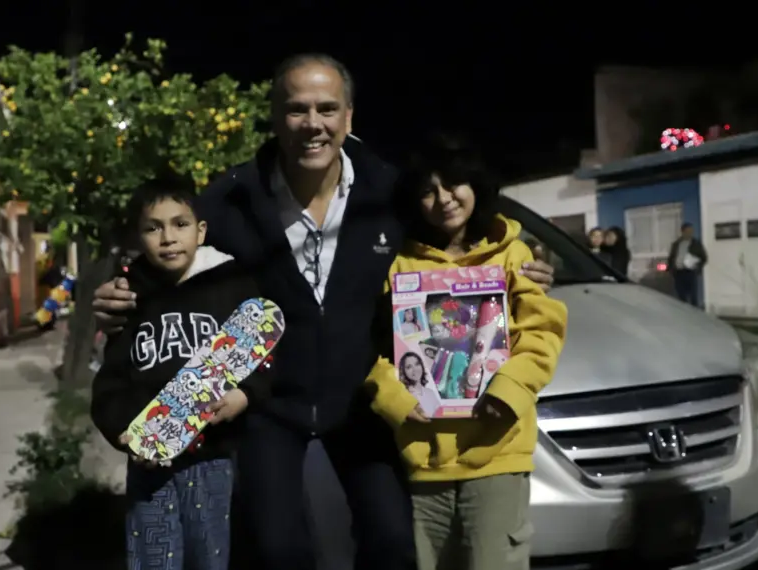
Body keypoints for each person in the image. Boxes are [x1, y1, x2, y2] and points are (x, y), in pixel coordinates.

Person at [90, 53, 557, 570]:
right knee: (277, 551)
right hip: (272, 407)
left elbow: (460, 236)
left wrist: (529, 259)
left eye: (327, 109)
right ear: (274, 116)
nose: (313, 123)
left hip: (363, 401)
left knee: (393, 544)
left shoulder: (389, 192)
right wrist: (124, 292)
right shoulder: (228, 201)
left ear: (349, 117)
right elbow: (169, 253)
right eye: (297, 109)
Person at [365, 136, 567, 570]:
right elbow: (370, 345)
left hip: (498, 453)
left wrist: (509, 392)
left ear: (475, 184)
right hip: (422, 459)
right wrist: (395, 400)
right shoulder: (397, 265)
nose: (443, 199)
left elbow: (543, 332)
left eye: (453, 183)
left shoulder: (514, 255)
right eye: (427, 191)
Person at [90, 174, 274, 570]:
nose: (168, 237)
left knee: (212, 556)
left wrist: (246, 394)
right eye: (153, 228)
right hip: (148, 464)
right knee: (154, 560)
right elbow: (111, 381)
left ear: (201, 231)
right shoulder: (129, 297)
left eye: (180, 224)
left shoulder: (233, 285)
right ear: (138, 237)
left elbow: (264, 352)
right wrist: (125, 433)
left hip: (214, 456)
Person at [668, 222, 707, 307]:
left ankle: (695, 316)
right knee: (681, 296)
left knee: (693, 297)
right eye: (688, 231)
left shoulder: (696, 244)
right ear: (683, 231)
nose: (690, 233)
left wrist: (697, 266)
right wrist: (671, 270)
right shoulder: (676, 244)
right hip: (678, 272)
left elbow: (704, 258)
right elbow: (671, 258)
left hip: (690, 272)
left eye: (691, 231)